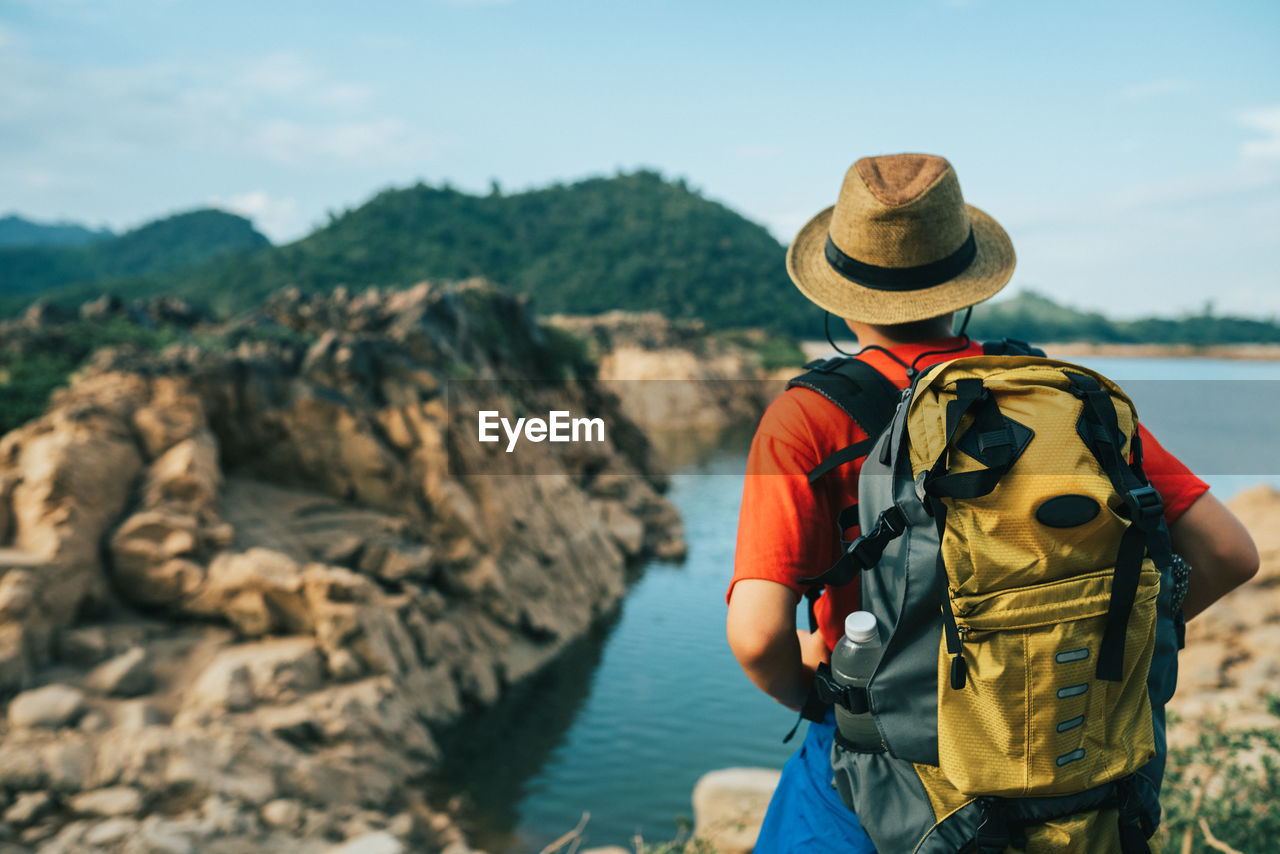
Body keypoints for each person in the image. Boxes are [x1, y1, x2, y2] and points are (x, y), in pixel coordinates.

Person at [725, 153, 1260, 852]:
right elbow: (1229, 553)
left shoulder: (807, 419)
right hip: (1065, 741)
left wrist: (833, 697)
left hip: (880, 766)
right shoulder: (1062, 400)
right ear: (964, 283)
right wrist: (1088, 647)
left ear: (838, 293)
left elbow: (758, 637)